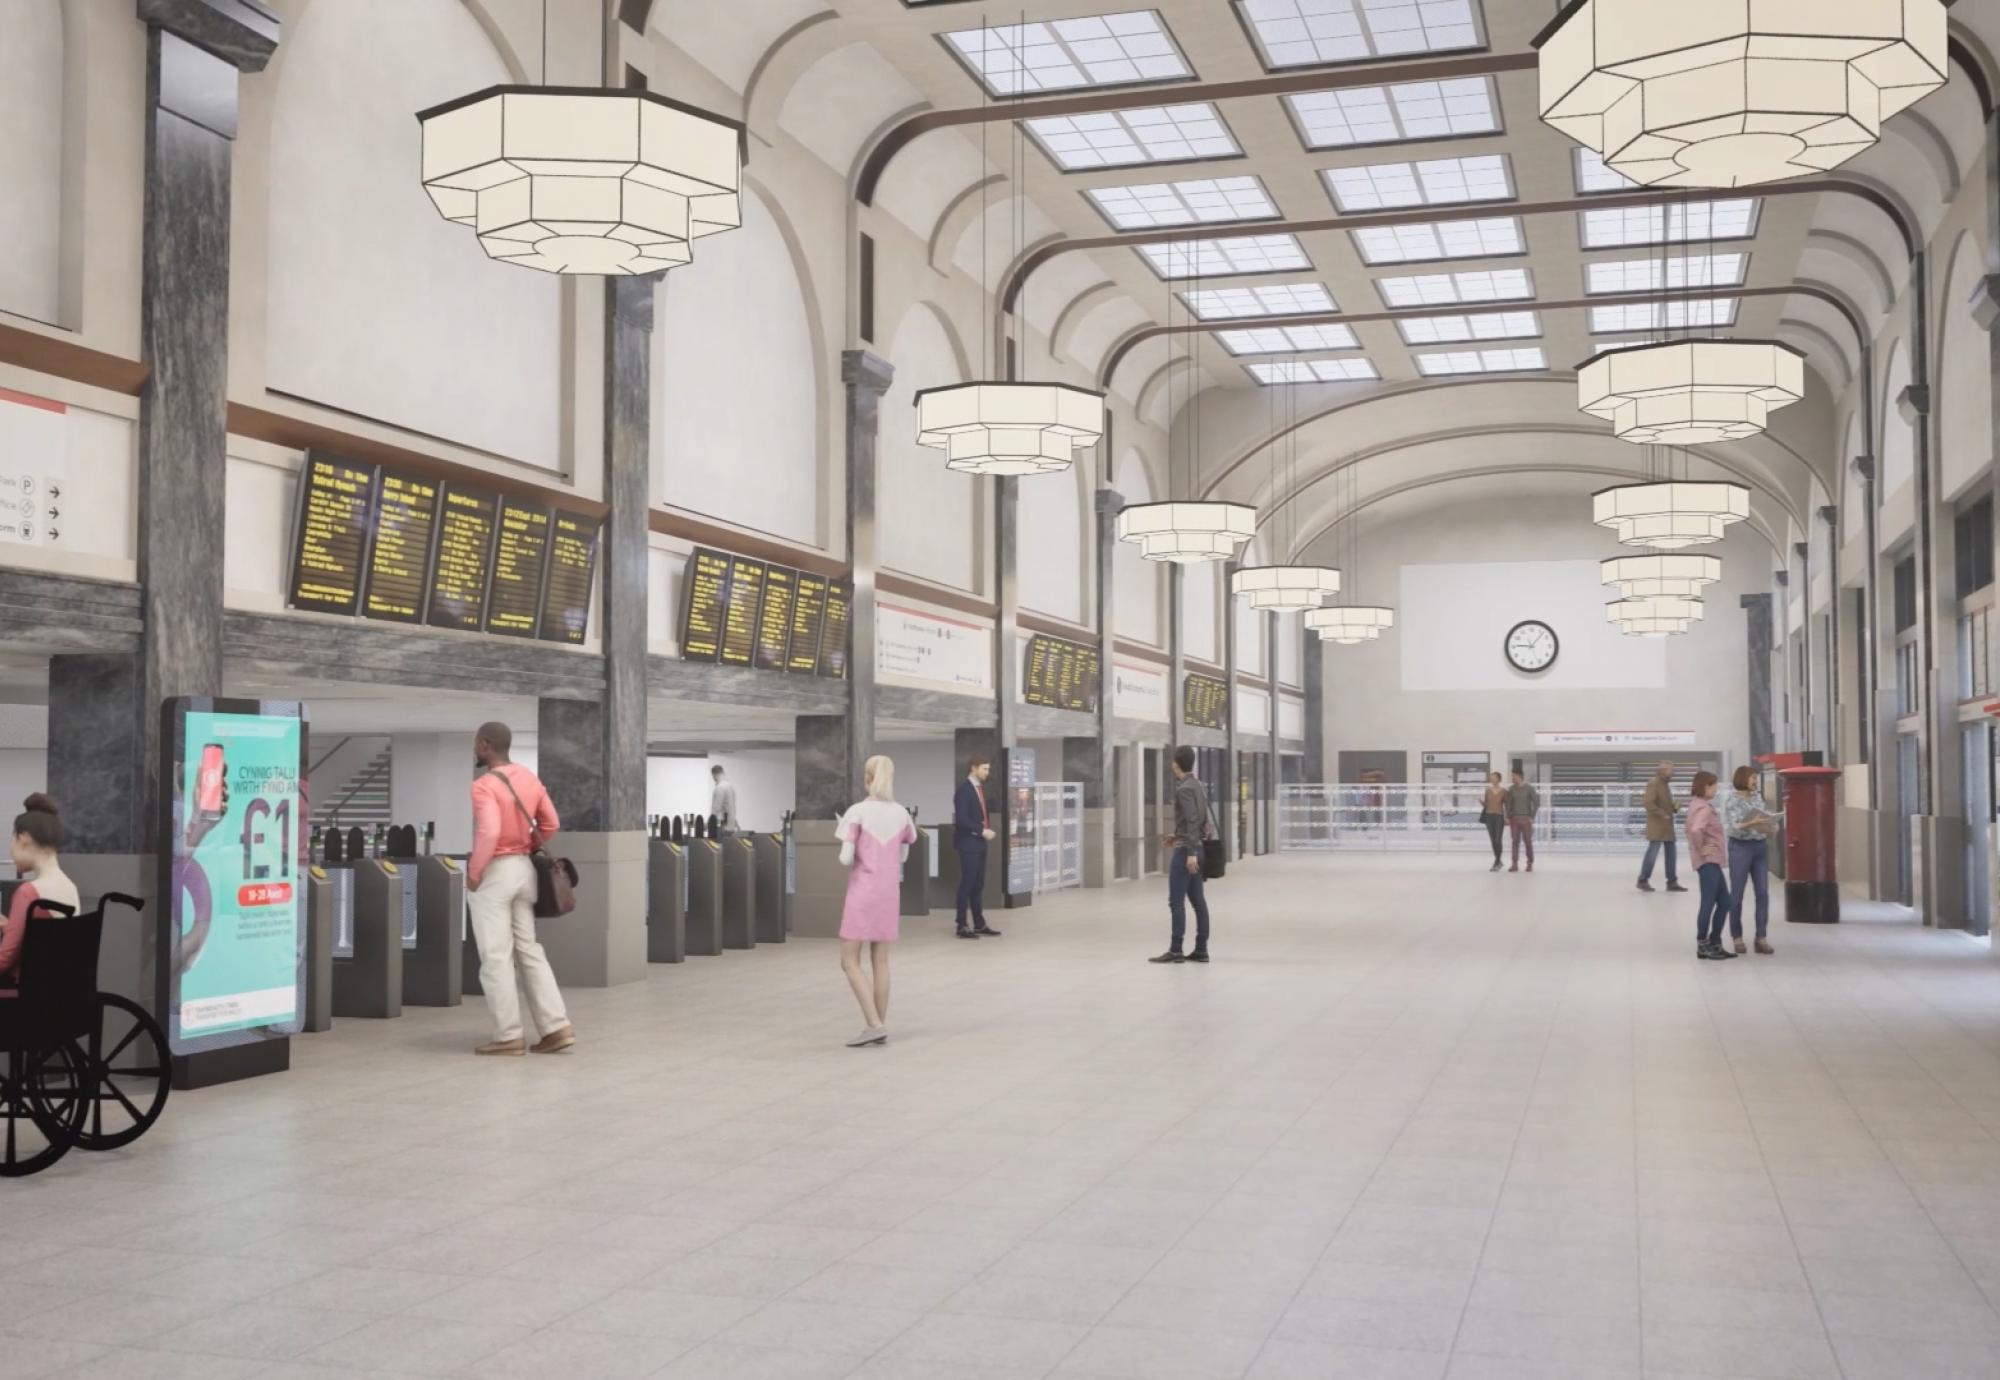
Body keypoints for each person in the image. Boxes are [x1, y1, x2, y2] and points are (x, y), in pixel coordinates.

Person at [467, 721, 574, 1056]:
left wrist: (474, 871)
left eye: (476, 743)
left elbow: (489, 831)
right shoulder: (529, 777)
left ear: (486, 745)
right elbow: (551, 823)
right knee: (529, 950)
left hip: (496, 872)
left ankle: (508, 1036)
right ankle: (556, 1027)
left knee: (496, 956)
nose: (475, 748)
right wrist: (528, 844)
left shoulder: (484, 785)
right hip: (525, 870)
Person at [835, 755, 916, 1047]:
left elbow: (845, 859)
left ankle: (873, 1024)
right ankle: (879, 1025)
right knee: (881, 960)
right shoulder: (902, 814)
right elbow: (903, 855)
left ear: (867, 778)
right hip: (888, 894)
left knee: (849, 961)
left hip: (862, 892)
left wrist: (846, 836)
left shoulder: (856, 812)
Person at [0, 794, 76, 991]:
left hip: (23, 996)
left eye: (12, 839)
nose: (10, 850)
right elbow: (45, 945)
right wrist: (10, 927)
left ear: (23, 839)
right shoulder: (69, 887)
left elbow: (4, 960)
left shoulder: (28, 893)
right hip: (54, 993)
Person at [1150, 745, 1214, 964]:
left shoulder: (1184, 789)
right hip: (1196, 847)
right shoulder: (1199, 785)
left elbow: (1193, 820)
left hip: (1187, 852)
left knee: (1176, 902)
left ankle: (1176, 949)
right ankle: (1201, 949)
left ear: (1175, 764)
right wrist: (1177, 836)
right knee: (1198, 901)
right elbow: (1199, 820)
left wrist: (1190, 851)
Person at [1721, 765, 1779, 955]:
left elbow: (1763, 821)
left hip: (1759, 847)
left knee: (1762, 893)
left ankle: (1761, 938)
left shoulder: (1757, 797)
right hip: (1740, 848)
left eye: (1755, 777)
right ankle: (1737, 937)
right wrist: (1750, 823)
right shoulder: (1731, 799)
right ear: (1743, 779)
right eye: (1752, 777)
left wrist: (1771, 827)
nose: (1755, 781)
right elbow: (1732, 827)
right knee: (1737, 895)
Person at [1687, 770, 1735, 960]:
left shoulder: (1697, 804)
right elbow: (1695, 829)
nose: (1716, 789)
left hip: (1711, 861)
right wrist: (1701, 849)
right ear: (1704, 786)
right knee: (1708, 902)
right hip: (1708, 861)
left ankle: (1715, 942)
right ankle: (1703, 944)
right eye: (1713, 785)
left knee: (1725, 902)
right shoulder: (1704, 808)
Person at [952, 754, 1000, 938]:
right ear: (973, 768)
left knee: (978, 885)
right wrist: (982, 831)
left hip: (979, 843)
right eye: (984, 769)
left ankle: (979, 924)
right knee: (967, 883)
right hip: (968, 843)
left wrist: (983, 833)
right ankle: (961, 925)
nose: (987, 772)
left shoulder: (978, 789)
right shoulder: (964, 790)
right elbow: (962, 819)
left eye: (988, 769)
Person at [1638, 761, 1688, 893]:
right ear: (1663, 770)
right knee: (1652, 853)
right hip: (1657, 827)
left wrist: (1675, 807)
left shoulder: (1665, 785)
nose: (1673, 772)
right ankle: (1643, 880)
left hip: (1667, 827)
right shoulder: (1654, 783)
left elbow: (1665, 804)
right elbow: (1648, 803)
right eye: (1671, 770)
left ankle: (1672, 882)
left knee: (1671, 854)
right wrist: (1662, 813)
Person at [1505, 770, 1539, 872]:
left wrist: (1532, 816)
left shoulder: (1529, 788)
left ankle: (1530, 863)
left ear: (1520, 776)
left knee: (1527, 841)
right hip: (1514, 819)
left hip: (1526, 819)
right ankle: (1514, 864)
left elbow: (1536, 803)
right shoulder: (1511, 789)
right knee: (1515, 841)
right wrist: (1507, 816)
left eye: (1514, 776)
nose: (1512, 778)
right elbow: (1508, 804)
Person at [1479, 771, 1507, 871]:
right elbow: (1486, 805)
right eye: (1491, 777)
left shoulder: (1504, 791)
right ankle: (1498, 861)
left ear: (1499, 779)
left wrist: (1507, 817)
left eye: (1494, 777)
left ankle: (1497, 861)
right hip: (1489, 816)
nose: (1492, 779)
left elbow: (1506, 806)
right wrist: (1482, 803)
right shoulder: (1487, 790)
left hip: (1499, 816)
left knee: (1498, 839)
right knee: (1493, 840)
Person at [709, 764, 737, 838]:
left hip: (722, 826)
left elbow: (716, 808)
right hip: (731, 825)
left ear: (714, 775)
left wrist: (709, 823)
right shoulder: (730, 787)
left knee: (719, 844)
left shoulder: (719, 788)